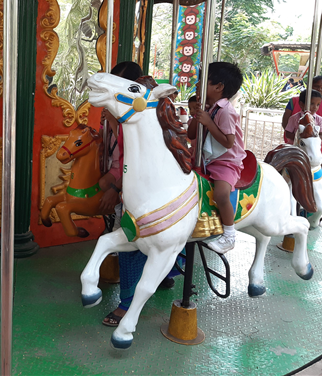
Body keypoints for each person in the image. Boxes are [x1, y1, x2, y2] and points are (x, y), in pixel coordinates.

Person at [100, 62, 176, 328]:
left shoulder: (140, 116)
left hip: (142, 187)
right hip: (135, 182)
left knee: (131, 242)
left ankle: (127, 303)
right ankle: (164, 274)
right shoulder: (124, 114)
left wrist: (116, 187)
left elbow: (135, 158)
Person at [188, 62, 245, 254]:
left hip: (226, 162)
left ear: (219, 87)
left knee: (221, 194)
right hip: (206, 158)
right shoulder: (209, 107)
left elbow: (228, 142)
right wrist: (197, 114)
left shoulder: (226, 110)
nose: (197, 84)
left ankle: (229, 235)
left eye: (203, 81)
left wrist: (209, 123)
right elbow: (190, 134)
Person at [282, 76, 322, 196]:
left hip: (314, 147)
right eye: (316, 86)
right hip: (295, 146)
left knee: (320, 163)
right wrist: (297, 137)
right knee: (283, 161)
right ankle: (281, 183)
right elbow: (286, 126)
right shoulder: (295, 107)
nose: (319, 89)